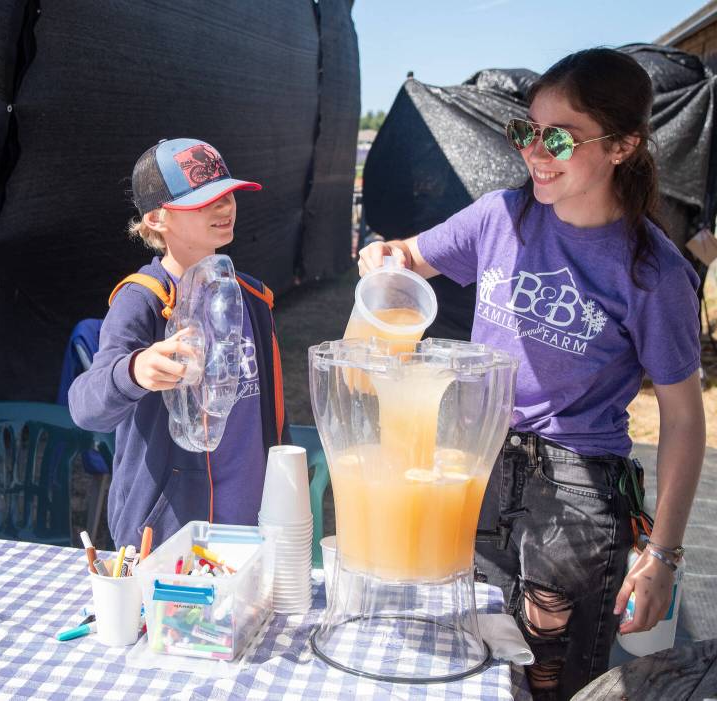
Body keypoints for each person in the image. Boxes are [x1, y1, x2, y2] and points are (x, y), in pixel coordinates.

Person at [359, 49, 705, 699]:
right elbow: (411, 255)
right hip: (477, 458)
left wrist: (661, 555)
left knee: (551, 667)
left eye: (558, 138)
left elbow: (685, 418)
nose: (534, 152)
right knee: (473, 638)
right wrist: (384, 254)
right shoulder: (500, 217)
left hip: (578, 487)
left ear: (624, 145)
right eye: (526, 131)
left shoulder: (652, 273)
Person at [69, 138, 289, 549]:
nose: (224, 208)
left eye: (227, 195)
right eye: (204, 201)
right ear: (156, 217)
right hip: (169, 537)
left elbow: (273, 413)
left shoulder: (254, 299)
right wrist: (134, 371)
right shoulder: (144, 300)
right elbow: (85, 405)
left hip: (251, 528)